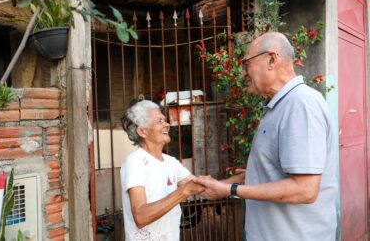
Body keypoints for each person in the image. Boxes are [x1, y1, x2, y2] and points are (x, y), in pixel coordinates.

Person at [194, 32, 338, 241]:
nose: (243, 73)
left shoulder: (300, 105)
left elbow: (305, 189)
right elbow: (276, 174)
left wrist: (230, 188)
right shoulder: (278, 106)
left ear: (271, 59)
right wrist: (223, 185)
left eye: (246, 64)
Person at [120, 100, 204, 241]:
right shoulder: (134, 162)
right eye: (159, 121)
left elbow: (200, 186)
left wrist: (238, 181)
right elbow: (140, 217)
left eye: (165, 120)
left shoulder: (171, 162)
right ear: (142, 131)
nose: (167, 124)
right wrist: (183, 191)